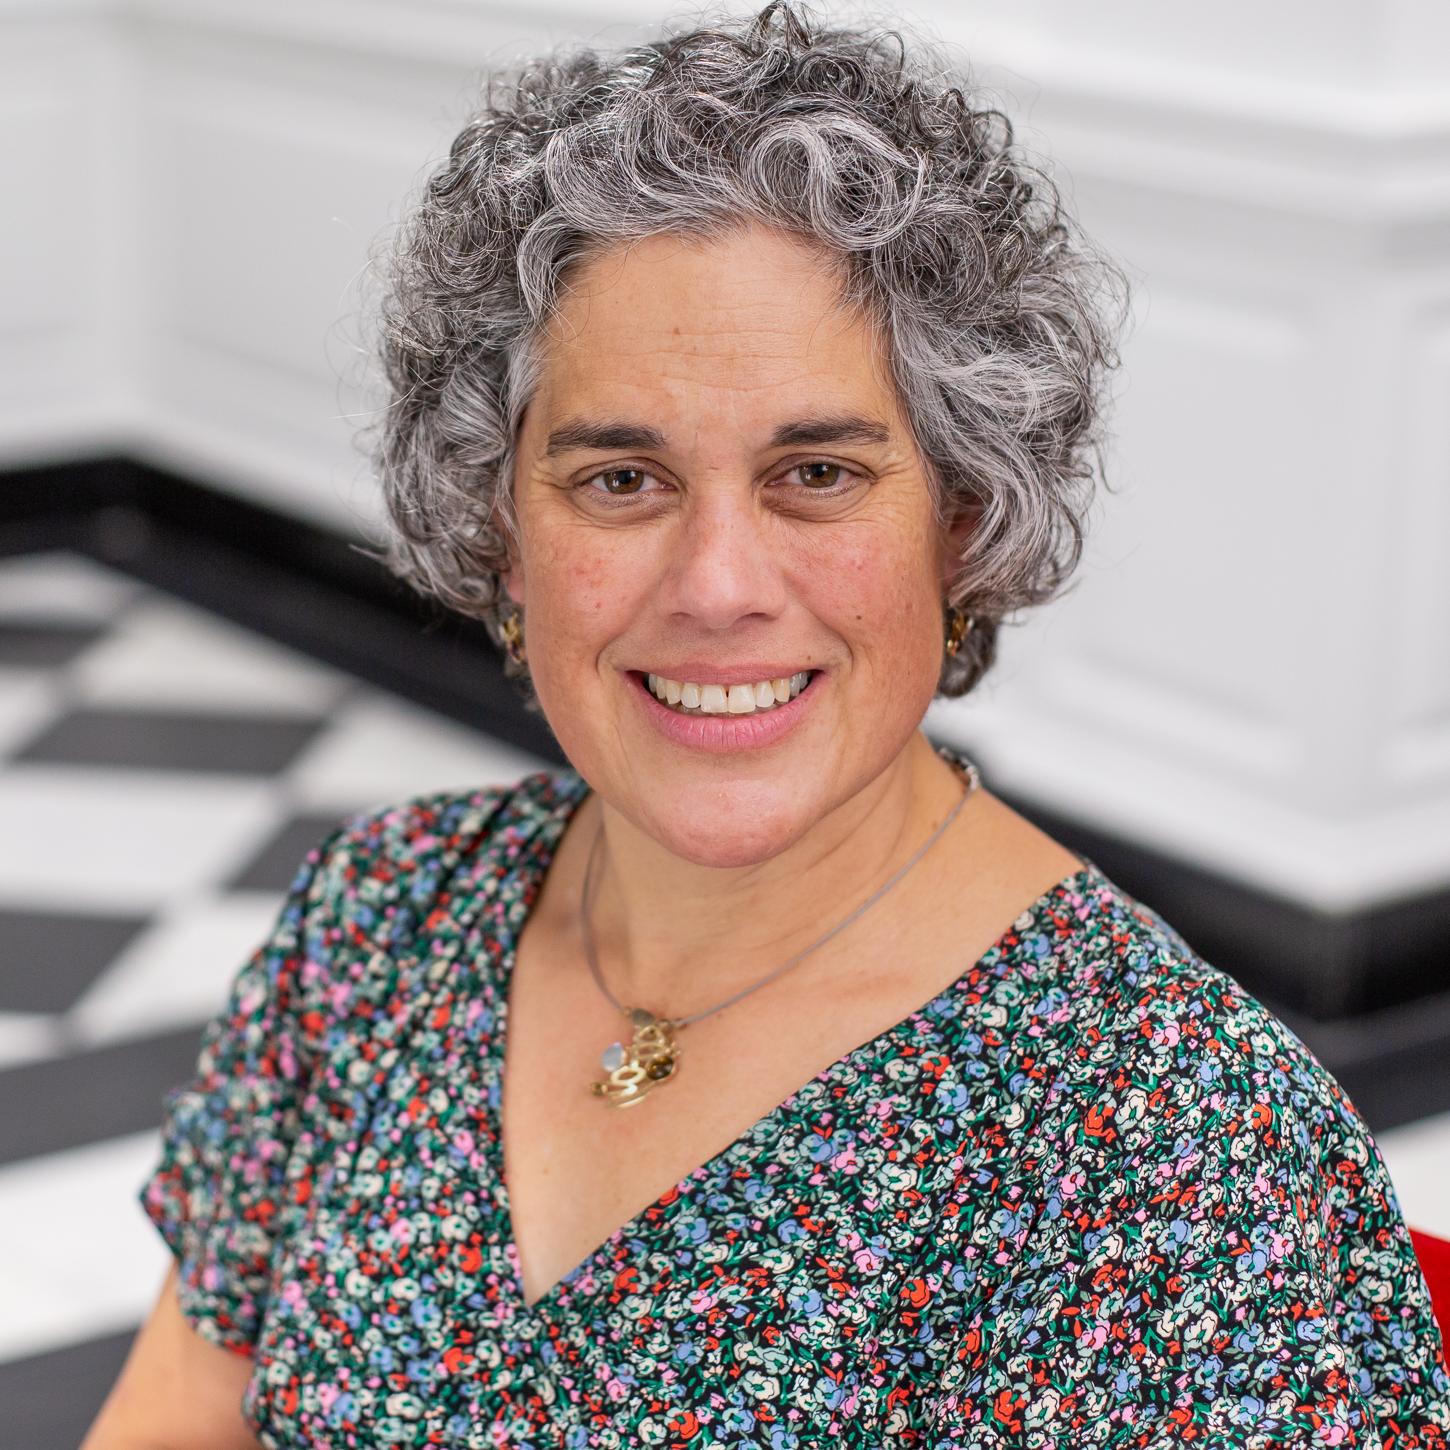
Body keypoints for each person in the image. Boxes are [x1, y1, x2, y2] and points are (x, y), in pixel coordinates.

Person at [85, 3, 1450, 1446]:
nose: (718, 586)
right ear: (502, 533)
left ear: (963, 524)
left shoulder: (1181, 1147)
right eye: (621, 480)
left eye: (816, 473)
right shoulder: (380, 920)